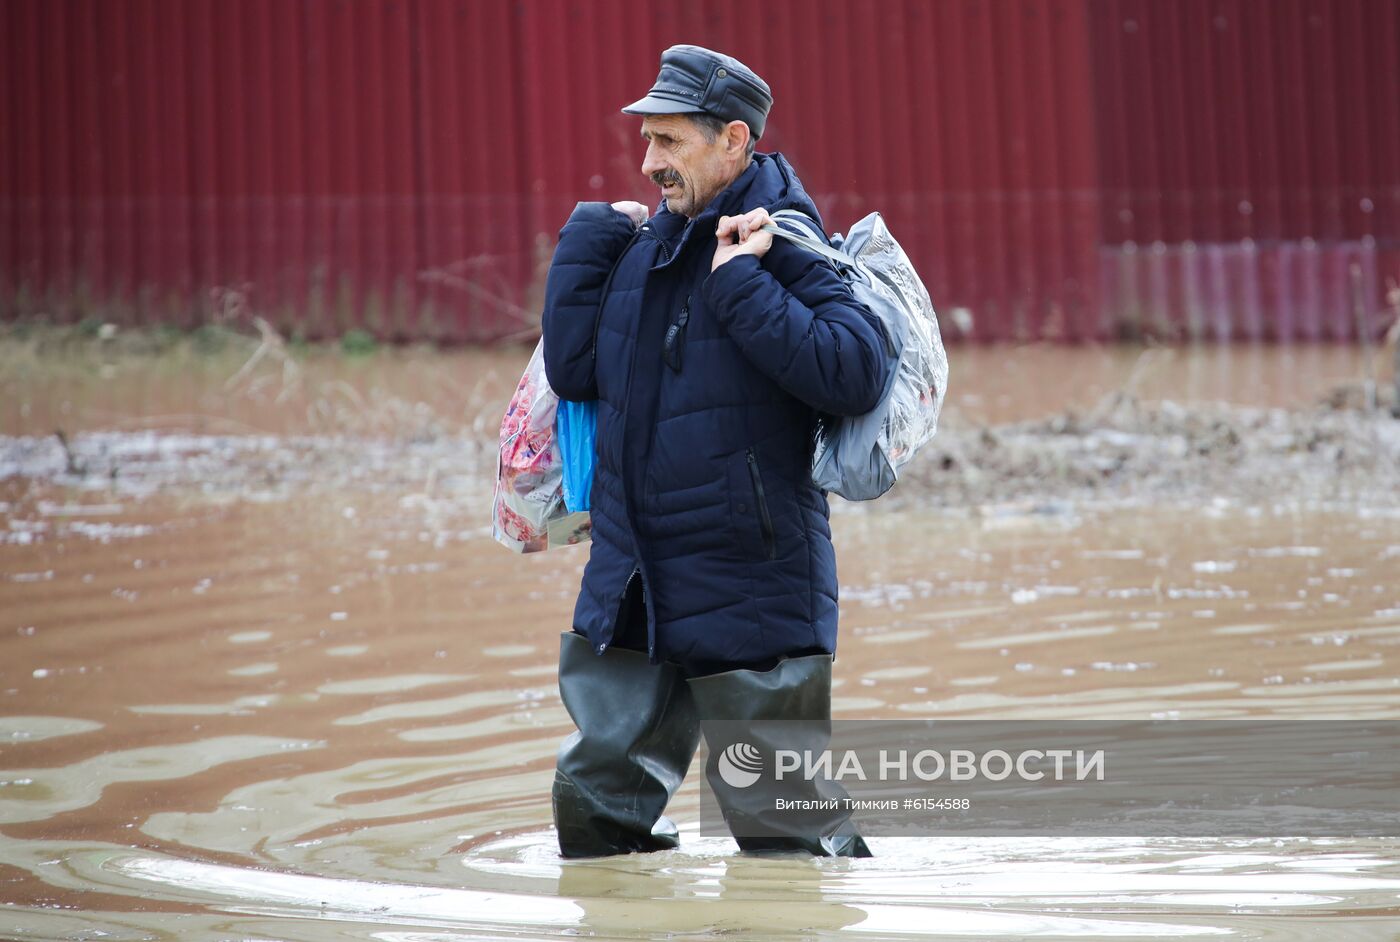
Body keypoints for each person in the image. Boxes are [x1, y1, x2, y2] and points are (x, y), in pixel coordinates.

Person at [541, 44, 889, 858]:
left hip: (749, 582)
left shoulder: (786, 241)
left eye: (668, 141)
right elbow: (577, 372)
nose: (648, 162)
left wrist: (741, 283)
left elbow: (855, 371)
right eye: (647, 140)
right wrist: (589, 242)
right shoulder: (646, 245)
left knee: (789, 840)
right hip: (632, 580)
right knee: (593, 818)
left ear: (734, 140)